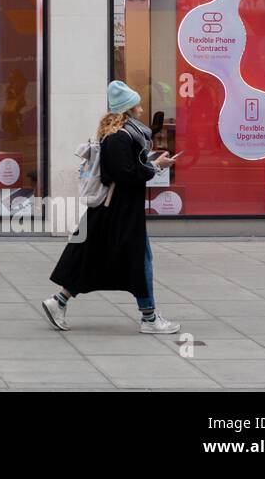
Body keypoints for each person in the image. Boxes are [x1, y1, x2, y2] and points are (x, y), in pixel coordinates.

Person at [43, 81, 180, 335]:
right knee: (138, 259)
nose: (141, 108)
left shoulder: (123, 134)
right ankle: (149, 317)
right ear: (128, 108)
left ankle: (58, 301)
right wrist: (157, 166)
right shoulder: (119, 137)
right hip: (118, 211)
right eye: (137, 103)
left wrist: (151, 164)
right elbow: (124, 173)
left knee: (91, 257)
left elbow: (126, 168)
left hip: (113, 211)